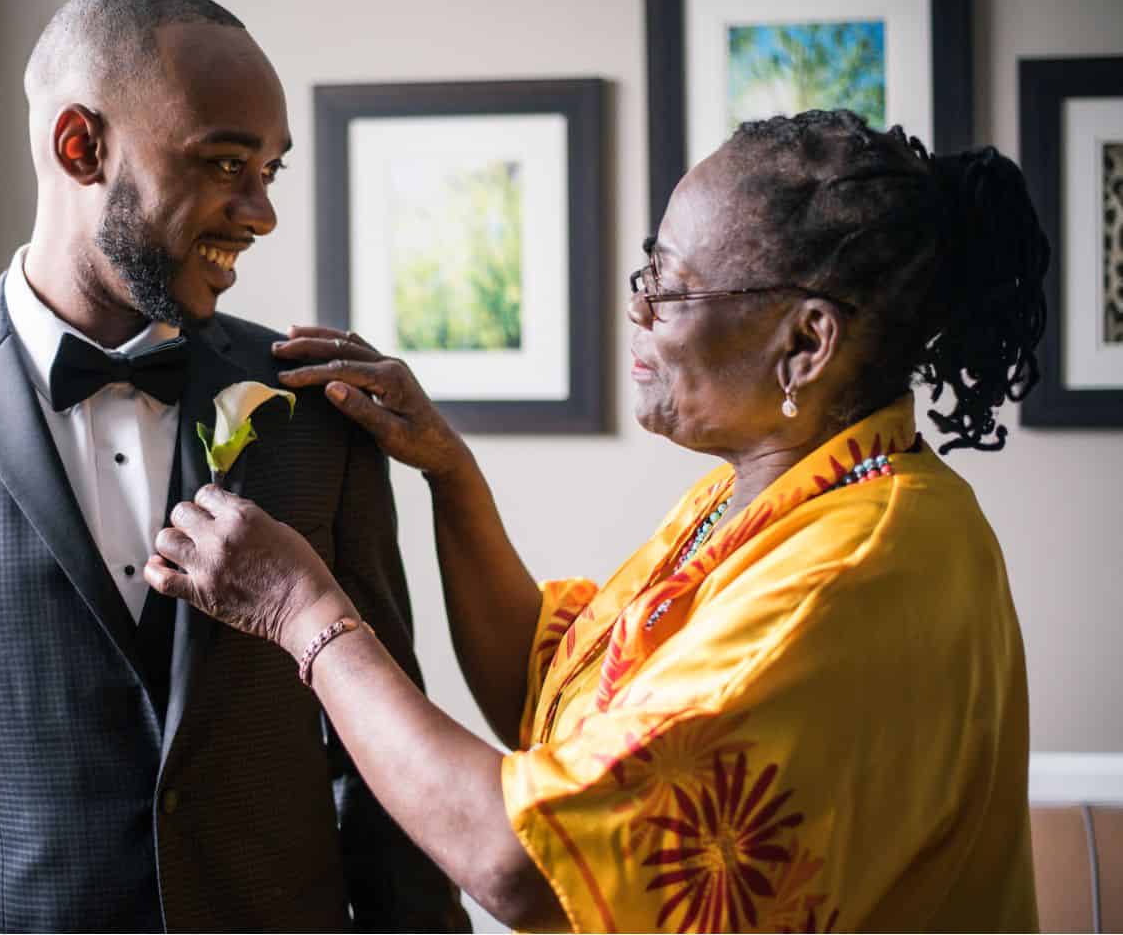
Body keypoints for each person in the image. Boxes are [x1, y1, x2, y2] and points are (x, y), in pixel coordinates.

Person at [148, 110, 1048, 931]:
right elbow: (548, 706)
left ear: (805, 343)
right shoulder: (767, 497)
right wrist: (452, 476)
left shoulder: (854, 569)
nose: (639, 308)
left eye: (675, 288)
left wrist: (304, 614)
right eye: (648, 268)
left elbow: (520, 862)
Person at [0, 0, 467, 932]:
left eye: (272, 170)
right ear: (80, 146)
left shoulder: (317, 405)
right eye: (226, 164)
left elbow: (386, 768)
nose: (260, 213)